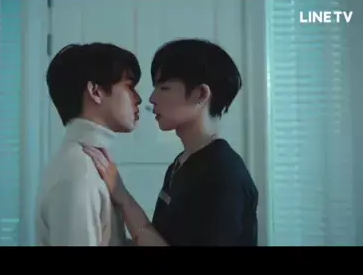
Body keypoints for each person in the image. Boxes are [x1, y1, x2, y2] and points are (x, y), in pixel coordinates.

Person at [83, 38, 258, 246]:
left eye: (164, 88)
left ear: (201, 94)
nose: (151, 98)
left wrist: (123, 197)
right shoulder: (182, 163)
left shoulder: (224, 176)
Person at [35, 42, 142, 246]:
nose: (138, 99)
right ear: (95, 91)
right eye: (129, 87)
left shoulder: (89, 163)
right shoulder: (78, 173)